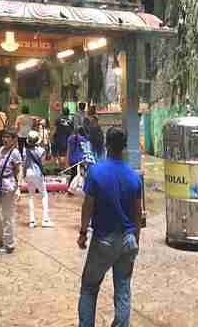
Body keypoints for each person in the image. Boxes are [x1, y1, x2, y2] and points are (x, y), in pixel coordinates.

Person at [77, 127, 142, 327]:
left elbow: (88, 205)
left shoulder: (96, 172)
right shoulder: (134, 176)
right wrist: (135, 239)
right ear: (124, 147)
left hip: (103, 240)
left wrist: (82, 232)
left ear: (106, 145)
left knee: (89, 287)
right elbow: (137, 213)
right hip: (128, 239)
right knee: (123, 289)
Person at [0, 129, 22, 254]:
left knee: (7, 216)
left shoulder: (15, 153)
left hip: (9, 187)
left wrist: (18, 187)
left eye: (8, 137)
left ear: (14, 139)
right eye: (4, 137)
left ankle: (9, 244)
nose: (5, 139)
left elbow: (19, 170)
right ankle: (2, 239)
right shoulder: (1, 150)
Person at [24, 131, 54, 228]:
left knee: (31, 196)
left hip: (27, 174)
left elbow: (24, 163)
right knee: (44, 194)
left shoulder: (25, 150)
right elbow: (43, 163)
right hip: (37, 174)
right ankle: (45, 219)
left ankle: (32, 221)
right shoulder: (41, 150)